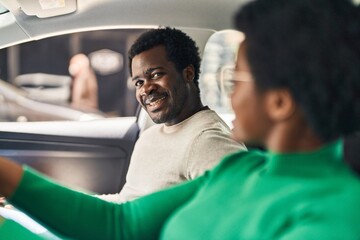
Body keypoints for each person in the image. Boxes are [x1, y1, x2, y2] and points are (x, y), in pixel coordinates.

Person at [1, 0, 360, 239]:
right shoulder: (240, 172)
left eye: (236, 79)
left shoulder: (333, 216)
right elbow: (121, 225)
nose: (230, 95)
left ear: (280, 102)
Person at [97, 27, 245, 202]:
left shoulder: (208, 141)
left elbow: (238, 211)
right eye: (139, 82)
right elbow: (127, 200)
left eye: (156, 74)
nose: (146, 89)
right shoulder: (150, 136)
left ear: (188, 74)